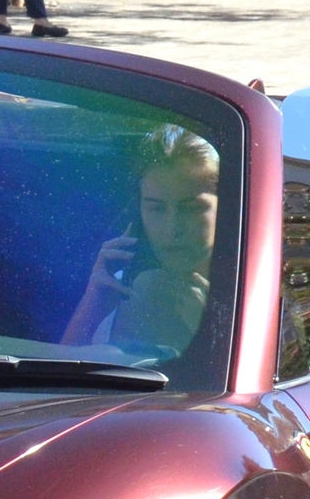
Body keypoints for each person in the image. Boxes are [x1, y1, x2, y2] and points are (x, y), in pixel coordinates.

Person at [62, 127, 221, 355]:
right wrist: (94, 302)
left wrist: (214, 330)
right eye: (156, 208)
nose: (172, 228)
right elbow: (57, 380)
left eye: (191, 208)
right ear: (139, 211)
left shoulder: (255, 293)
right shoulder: (116, 287)